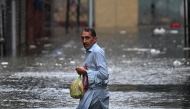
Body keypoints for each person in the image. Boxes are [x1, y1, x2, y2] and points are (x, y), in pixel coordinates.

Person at [75, 28, 109, 109]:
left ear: (95, 39)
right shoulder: (89, 50)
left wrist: (85, 72)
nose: (84, 41)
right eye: (82, 38)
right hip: (91, 91)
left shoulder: (96, 52)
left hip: (96, 93)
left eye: (87, 38)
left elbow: (104, 74)